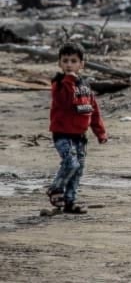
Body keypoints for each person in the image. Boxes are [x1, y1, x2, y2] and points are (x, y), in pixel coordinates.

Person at [46, 43, 108, 214]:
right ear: (59, 63)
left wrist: (100, 132)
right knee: (70, 163)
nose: (69, 64)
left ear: (81, 64)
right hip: (62, 134)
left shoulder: (85, 86)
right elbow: (64, 103)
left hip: (80, 136)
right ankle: (55, 188)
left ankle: (70, 202)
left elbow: (93, 110)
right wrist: (69, 81)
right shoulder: (59, 84)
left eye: (73, 61)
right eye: (65, 61)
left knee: (78, 169)